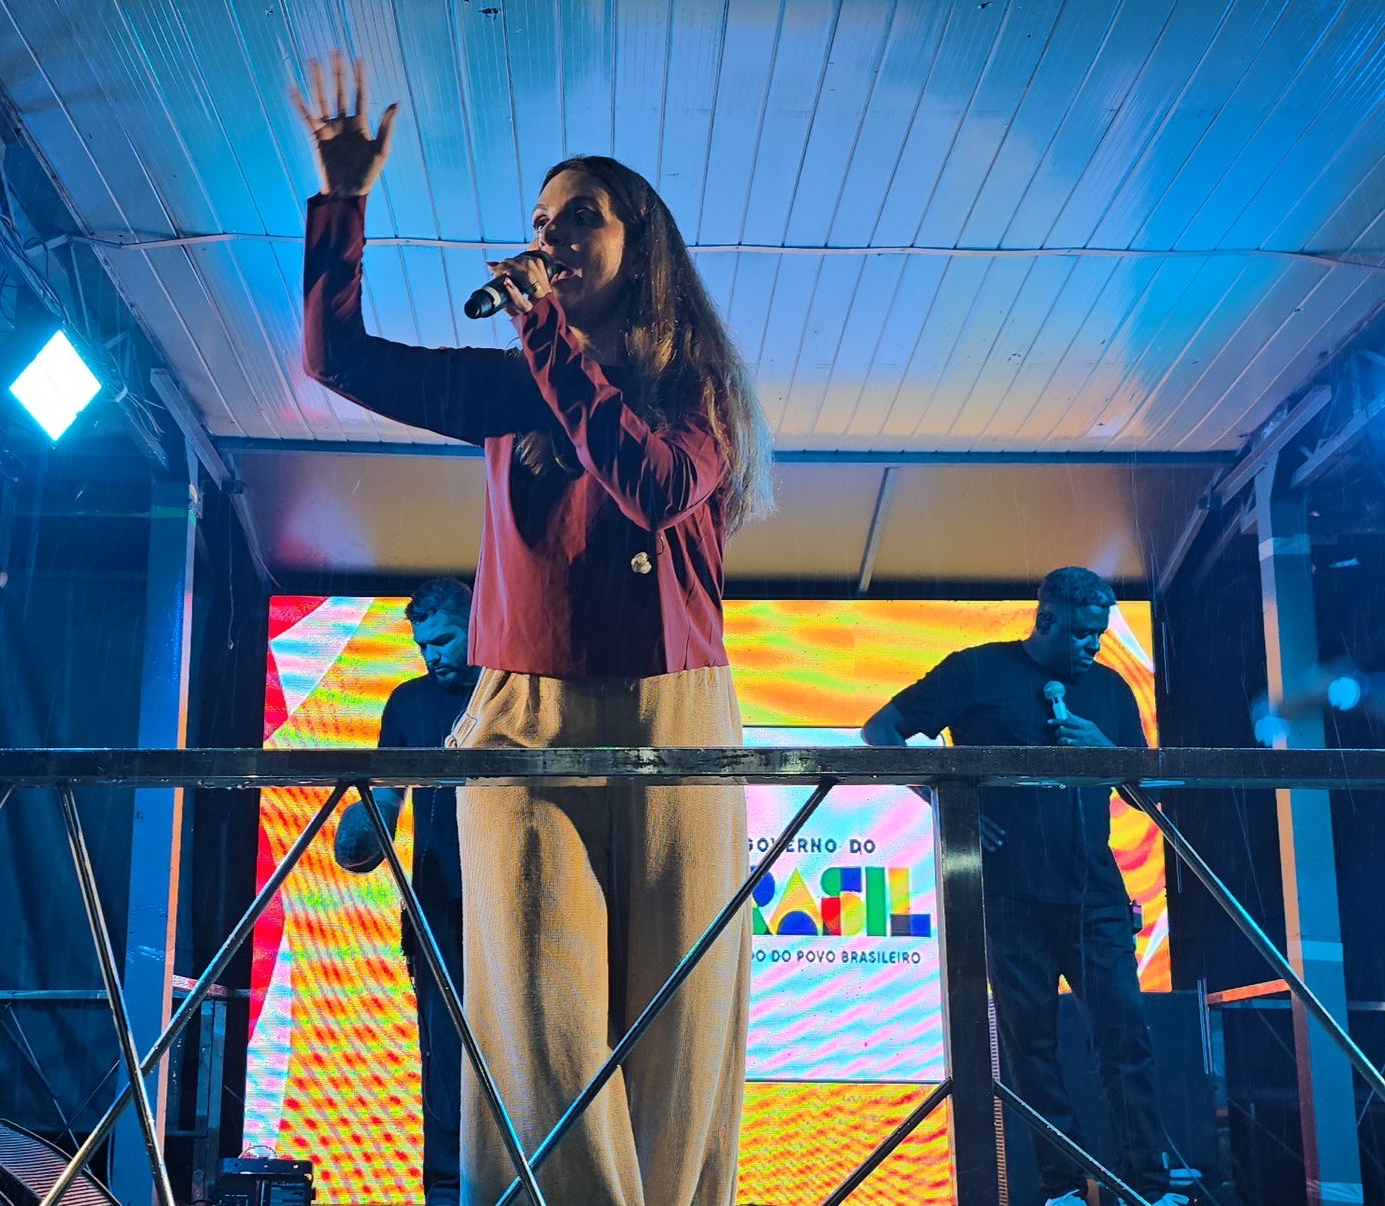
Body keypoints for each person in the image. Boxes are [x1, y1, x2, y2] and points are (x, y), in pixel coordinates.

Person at [292, 53, 773, 1206]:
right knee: (538, 1020)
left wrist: (545, 337)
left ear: (637, 236)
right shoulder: (522, 381)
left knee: (678, 1022)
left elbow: (650, 486)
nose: (551, 237)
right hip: (518, 713)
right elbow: (336, 359)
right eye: (540, 221)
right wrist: (344, 202)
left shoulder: (693, 388)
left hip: (678, 713)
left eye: (579, 218)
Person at [862, 567, 1186, 1206]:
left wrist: (1106, 751)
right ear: (1045, 621)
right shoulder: (976, 672)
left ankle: (1149, 1187)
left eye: (1101, 633)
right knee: (1029, 1048)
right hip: (1008, 899)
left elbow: (1146, 791)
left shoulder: (1112, 691)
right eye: (1083, 634)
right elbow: (880, 731)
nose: (1095, 646)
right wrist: (942, 796)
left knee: (1126, 1038)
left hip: (1096, 897)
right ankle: (1063, 1189)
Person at [333, 578, 480, 1206]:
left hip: (520, 907)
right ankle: (445, 1197)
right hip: (440, 908)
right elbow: (384, 803)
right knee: (444, 1067)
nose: (432, 655)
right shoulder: (408, 703)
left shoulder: (518, 694)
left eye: (443, 639)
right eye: (422, 645)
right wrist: (364, 827)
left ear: (480, 625)